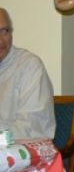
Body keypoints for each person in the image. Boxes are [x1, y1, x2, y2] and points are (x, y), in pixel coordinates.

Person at [0, 7, 55, 139]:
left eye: (5, 31)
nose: (1, 41)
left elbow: (32, 127)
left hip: (22, 154)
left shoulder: (29, 66)